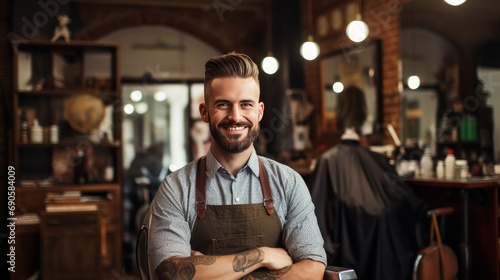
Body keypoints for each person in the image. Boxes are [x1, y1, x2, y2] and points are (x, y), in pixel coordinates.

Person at [149, 52, 327, 279]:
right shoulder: (177, 187)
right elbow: (170, 273)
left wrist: (206, 270)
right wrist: (262, 256)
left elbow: (313, 269)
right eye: (223, 104)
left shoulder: (288, 182)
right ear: (205, 112)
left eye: (246, 104)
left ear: (259, 111)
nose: (235, 116)